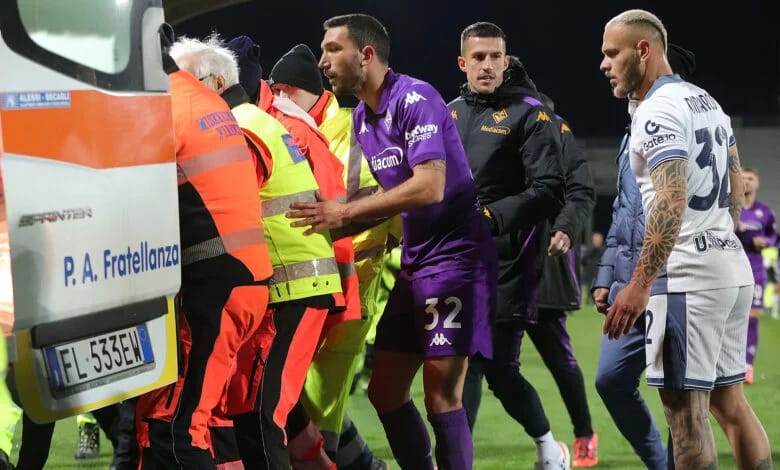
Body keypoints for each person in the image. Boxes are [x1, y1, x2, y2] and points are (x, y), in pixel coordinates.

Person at [289, 13, 497, 470]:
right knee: (384, 390)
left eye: (332, 49)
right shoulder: (363, 117)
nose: (323, 61)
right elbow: (390, 199)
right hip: (417, 261)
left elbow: (429, 186)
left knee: (441, 395)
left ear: (365, 54)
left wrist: (343, 212)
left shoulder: (416, 97)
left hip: (456, 259)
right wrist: (324, 227)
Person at [599, 9, 772, 469]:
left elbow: (671, 199)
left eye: (612, 53)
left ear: (644, 50)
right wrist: (717, 236)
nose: (604, 63)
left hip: (685, 278)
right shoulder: (706, 101)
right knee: (729, 404)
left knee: (685, 415)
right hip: (728, 265)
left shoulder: (656, 110)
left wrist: (637, 284)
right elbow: (737, 184)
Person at [135, 30, 273, 469]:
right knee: (200, 421)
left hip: (214, 285)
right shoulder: (208, 101)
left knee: (178, 432)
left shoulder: (163, 108)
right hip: (244, 279)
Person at [268, 42, 401, 470]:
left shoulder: (350, 127)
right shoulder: (296, 126)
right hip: (309, 287)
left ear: (289, 90)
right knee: (298, 399)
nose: (275, 103)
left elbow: (366, 204)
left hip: (352, 284)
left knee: (318, 401)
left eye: (279, 94)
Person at [447, 22, 569, 470]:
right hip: (455, 261)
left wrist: (492, 217)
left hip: (509, 263)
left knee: (498, 370)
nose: (487, 65)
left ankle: (548, 449)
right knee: (461, 363)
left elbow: (550, 188)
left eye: (495, 56)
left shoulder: (529, 114)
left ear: (506, 60)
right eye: (478, 57)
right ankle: (458, 458)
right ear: (463, 62)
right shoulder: (450, 112)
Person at [592, 41, 698, 470]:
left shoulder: (681, 126)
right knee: (611, 380)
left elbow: (677, 207)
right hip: (631, 283)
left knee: (682, 396)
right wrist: (606, 276)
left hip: (677, 278)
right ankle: (659, 462)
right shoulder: (632, 133)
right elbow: (624, 213)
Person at [530, 91, 598, 467]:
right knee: (476, 364)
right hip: (501, 272)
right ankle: (456, 451)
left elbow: (579, 194)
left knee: (560, 361)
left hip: (546, 271)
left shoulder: (560, 147)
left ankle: (584, 435)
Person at [735, 167, 776, 384]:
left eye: (751, 178)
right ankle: (726, 364)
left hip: (756, 269)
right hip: (731, 268)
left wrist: (766, 243)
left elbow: (774, 238)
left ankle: (747, 367)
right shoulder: (729, 208)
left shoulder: (766, 213)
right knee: (728, 319)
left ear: (757, 183)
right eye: (743, 178)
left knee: (752, 317)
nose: (747, 182)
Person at [580, 232, 605, 303]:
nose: (597, 241)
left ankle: (598, 299)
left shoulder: (603, 250)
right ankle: (589, 299)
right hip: (589, 271)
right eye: (595, 240)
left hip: (599, 271)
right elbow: (583, 260)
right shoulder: (589, 249)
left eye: (598, 240)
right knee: (589, 285)